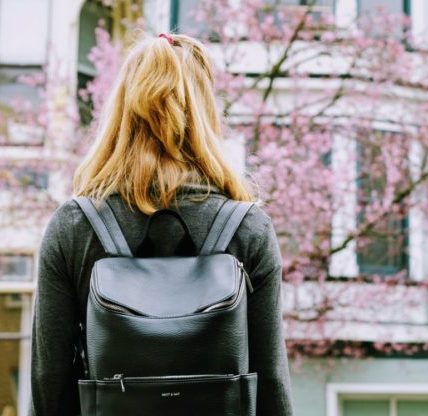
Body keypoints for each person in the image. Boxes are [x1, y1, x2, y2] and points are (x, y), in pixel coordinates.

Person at [28, 32, 294, 416]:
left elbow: (48, 386)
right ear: (205, 114)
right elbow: (271, 384)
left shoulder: (74, 227)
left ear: (120, 111)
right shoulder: (247, 228)